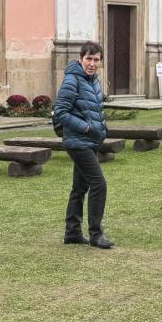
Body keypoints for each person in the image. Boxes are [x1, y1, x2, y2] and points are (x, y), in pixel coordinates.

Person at [53, 41, 114, 249]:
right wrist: (87, 128)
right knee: (99, 184)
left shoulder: (93, 80)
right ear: (80, 59)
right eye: (88, 59)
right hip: (78, 142)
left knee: (80, 188)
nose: (92, 63)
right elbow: (60, 112)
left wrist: (101, 128)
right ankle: (96, 234)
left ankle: (72, 232)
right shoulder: (73, 79)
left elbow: (93, 109)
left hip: (90, 141)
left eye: (96, 60)